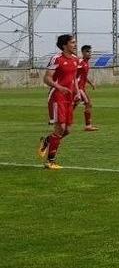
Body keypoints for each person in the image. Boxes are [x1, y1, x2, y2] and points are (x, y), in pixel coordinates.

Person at [37, 34, 80, 169]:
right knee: (60, 127)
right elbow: (47, 78)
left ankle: (48, 140)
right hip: (57, 96)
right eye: (72, 42)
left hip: (69, 97)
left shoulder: (75, 60)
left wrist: (77, 92)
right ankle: (50, 161)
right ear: (64, 45)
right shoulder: (57, 59)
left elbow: (73, 78)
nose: (75, 45)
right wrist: (59, 87)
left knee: (67, 130)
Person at [75, 44, 98, 131]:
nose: (89, 53)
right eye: (87, 52)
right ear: (83, 52)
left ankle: (61, 120)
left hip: (81, 88)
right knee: (88, 104)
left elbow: (83, 76)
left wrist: (91, 84)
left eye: (90, 52)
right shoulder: (80, 62)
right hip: (78, 88)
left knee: (73, 106)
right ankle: (88, 126)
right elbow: (73, 74)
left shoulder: (86, 63)